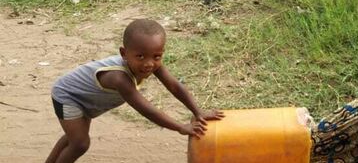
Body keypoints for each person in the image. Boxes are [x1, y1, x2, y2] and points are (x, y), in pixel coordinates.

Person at [46, 19, 224, 163]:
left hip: (88, 99)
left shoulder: (153, 65)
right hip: (69, 96)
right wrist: (180, 127)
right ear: (124, 53)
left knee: (74, 139)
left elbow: (174, 86)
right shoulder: (118, 78)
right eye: (140, 56)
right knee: (80, 143)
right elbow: (145, 109)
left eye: (156, 56)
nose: (148, 63)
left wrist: (198, 111)